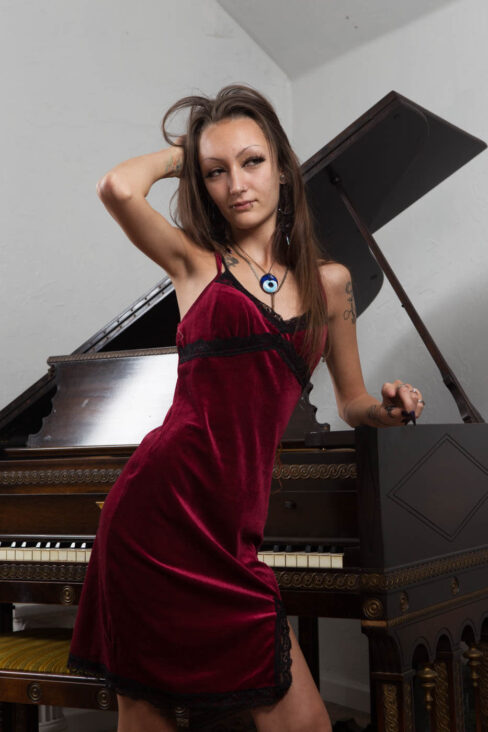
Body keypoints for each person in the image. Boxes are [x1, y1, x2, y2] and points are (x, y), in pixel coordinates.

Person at [68, 84, 424, 732]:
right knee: (147, 715)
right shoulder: (194, 264)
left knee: (305, 723)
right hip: (155, 518)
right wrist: (185, 153)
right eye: (216, 171)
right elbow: (118, 188)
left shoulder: (332, 284)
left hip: (234, 537)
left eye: (252, 161)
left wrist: (388, 409)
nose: (236, 184)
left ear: (283, 168)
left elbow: (352, 402)